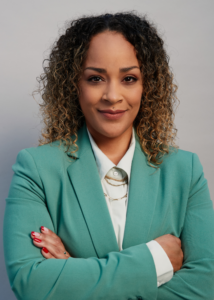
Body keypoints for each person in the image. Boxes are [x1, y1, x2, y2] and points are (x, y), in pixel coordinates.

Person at [3, 12, 214, 300]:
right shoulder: (36, 169)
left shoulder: (185, 171)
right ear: (73, 85)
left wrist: (72, 270)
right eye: (95, 78)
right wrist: (155, 259)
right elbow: (31, 284)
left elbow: (204, 286)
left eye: (129, 78)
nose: (112, 95)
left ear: (147, 86)